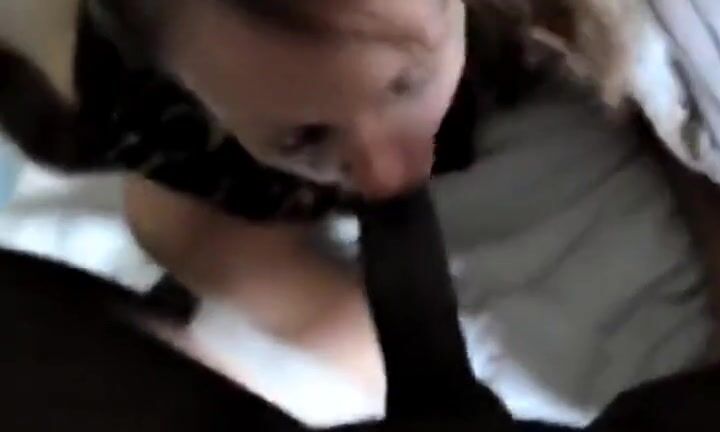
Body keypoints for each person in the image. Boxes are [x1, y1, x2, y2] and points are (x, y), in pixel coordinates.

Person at [3, 0, 720, 426]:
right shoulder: (169, 116)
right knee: (115, 175)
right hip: (156, 119)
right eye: (306, 135)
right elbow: (170, 216)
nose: (390, 173)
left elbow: (669, 115)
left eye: (406, 82)